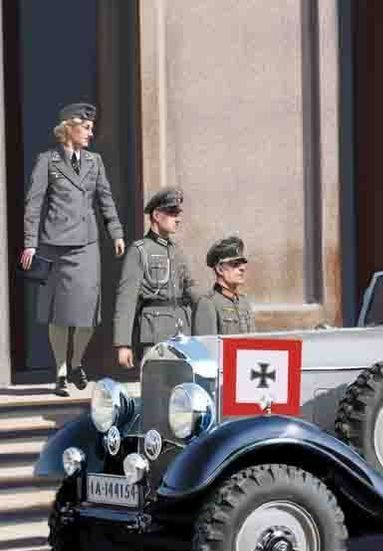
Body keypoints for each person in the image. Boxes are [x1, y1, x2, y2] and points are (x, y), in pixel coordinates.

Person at [19, 102, 125, 396]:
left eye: (92, 128)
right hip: (55, 245)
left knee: (87, 312)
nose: (91, 133)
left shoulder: (95, 162)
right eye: (86, 128)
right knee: (59, 313)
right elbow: (34, 204)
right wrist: (30, 243)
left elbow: (105, 200)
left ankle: (77, 361)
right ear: (69, 128)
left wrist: (116, 232)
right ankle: (62, 371)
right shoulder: (47, 161)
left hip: (87, 245)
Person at [112, 187, 196, 369]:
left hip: (182, 335)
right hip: (155, 335)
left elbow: (191, 290)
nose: (177, 219)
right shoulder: (140, 250)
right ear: (157, 216)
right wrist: (123, 344)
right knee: (157, 383)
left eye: (178, 214)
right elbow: (127, 299)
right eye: (172, 213)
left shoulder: (177, 251)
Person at [193, 236, 256, 335]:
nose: (242, 268)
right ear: (220, 269)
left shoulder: (244, 303)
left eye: (242, 264)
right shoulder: (208, 303)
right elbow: (206, 343)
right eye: (235, 264)